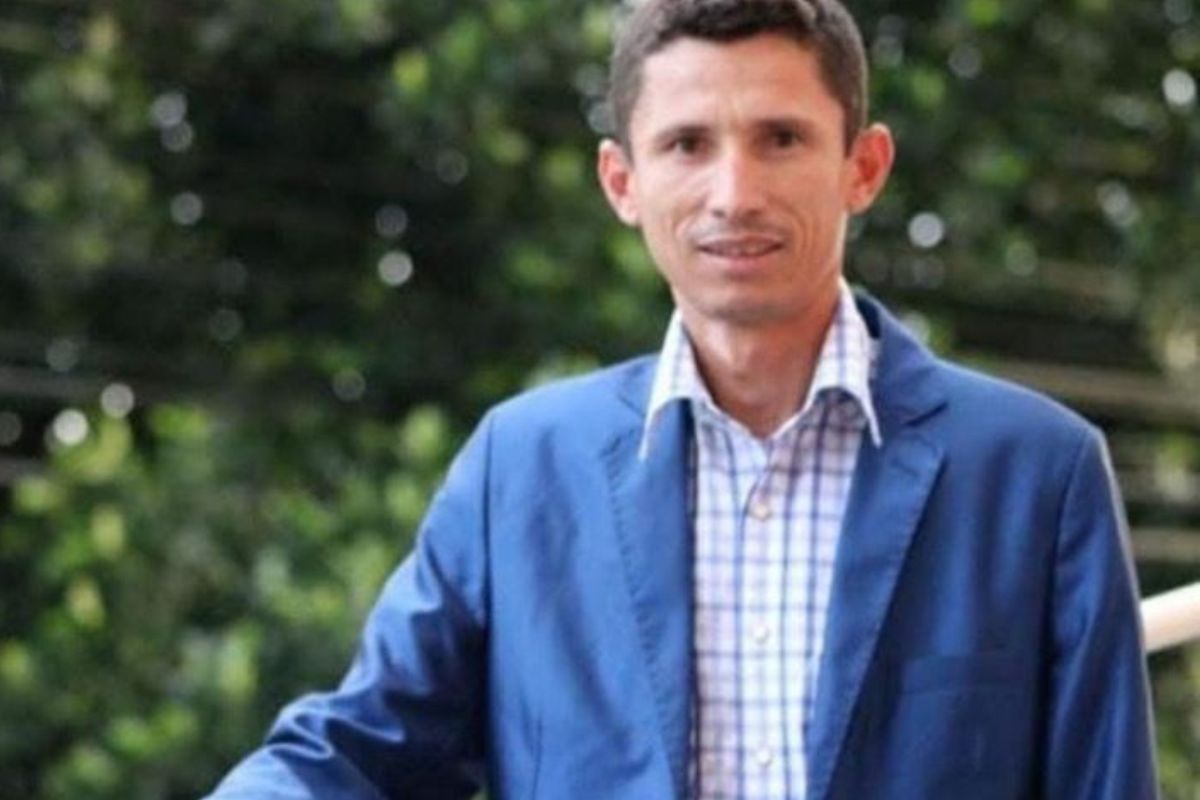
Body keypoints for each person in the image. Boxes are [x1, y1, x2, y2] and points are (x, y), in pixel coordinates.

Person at [205, 0, 1159, 797]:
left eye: (781, 138)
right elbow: (360, 754)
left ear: (863, 167)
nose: (734, 193)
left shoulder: (1038, 473)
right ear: (623, 181)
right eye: (687, 144)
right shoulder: (521, 468)